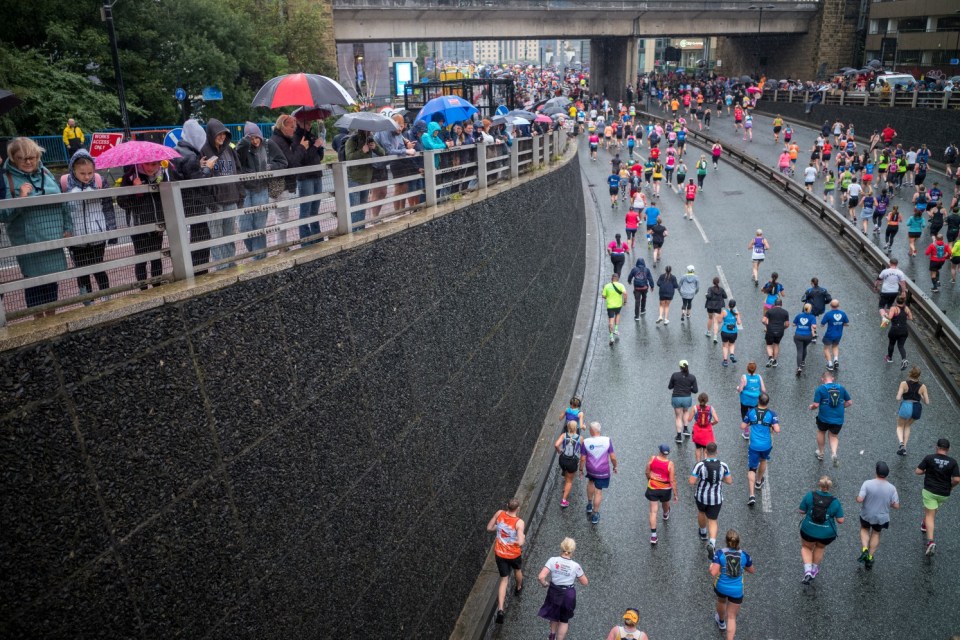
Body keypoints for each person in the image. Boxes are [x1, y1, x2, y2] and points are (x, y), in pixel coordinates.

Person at [1, 138, 74, 315]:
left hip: (52, 236)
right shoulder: (6, 179)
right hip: (28, 242)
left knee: (51, 281)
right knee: (33, 283)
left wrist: (68, 226)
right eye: (22, 158)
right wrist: (20, 200)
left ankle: (51, 317)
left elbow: (62, 202)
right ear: (12, 157)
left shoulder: (46, 173)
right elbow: (3, 216)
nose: (28, 162)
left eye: (32, 157)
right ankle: (38, 320)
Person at [62, 150, 114, 301]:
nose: (87, 177)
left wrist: (111, 230)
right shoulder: (65, 185)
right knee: (82, 271)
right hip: (76, 237)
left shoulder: (100, 182)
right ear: (73, 170)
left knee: (98, 268)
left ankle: (106, 298)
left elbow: (108, 207)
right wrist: (66, 230)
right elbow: (63, 211)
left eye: (90, 172)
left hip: (97, 234)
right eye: (82, 173)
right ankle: (87, 301)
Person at [118, 160, 173, 286]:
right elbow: (122, 202)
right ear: (141, 163)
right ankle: (143, 288)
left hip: (157, 224)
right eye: (147, 164)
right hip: (138, 225)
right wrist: (135, 190)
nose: (150, 168)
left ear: (159, 164)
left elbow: (167, 199)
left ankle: (157, 285)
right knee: (141, 259)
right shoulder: (130, 176)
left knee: (156, 257)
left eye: (154, 164)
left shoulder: (163, 175)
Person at [200, 119, 242, 269]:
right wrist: (209, 202)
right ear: (211, 134)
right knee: (216, 238)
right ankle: (221, 268)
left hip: (231, 198)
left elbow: (238, 171)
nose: (222, 137)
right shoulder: (203, 150)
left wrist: (240, 195)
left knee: (229, 236)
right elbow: (201, 179)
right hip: (215, 203)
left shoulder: (229, 150)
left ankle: (231, 264)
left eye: (224, 134)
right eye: (219, 134)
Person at [915, 438, 960, 556]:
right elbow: (956, 479)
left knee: (930, 515)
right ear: (948, 449)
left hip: (930, 491)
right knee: (932, 509)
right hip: (944, 494)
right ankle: (924, 524)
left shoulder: (929, 458)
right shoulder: (953, 462)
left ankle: (930, 542)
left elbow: (918, 471)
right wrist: (951, 486)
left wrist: (927, 470)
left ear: (936, 447)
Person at [538, 537, 588, 640]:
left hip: (554, 591)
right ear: (572, 550)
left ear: (562, 547)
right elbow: (585, 582)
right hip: (568, 594)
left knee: (554, 614)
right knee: (564, 620)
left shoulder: (553, 560)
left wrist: (545, 584)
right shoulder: (575, 566)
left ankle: (552, 635)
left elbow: (541, 576)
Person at [797, 476, 845, 584]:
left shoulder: (810, 495)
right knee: (820, 547)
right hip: (827, 533)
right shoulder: (835, 501)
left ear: (820, 485)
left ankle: (808, 571)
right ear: (830, 487)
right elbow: (841, 520)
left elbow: (801, 510)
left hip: (808, 529)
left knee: (806, 547)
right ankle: (814, 570)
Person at [234, 122, 271, 260]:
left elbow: (282, 161)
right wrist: (245, 141)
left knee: (259, 226)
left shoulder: (267, 146)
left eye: (257, 137)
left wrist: (269, 168)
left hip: (261, 189)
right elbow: (238, 154)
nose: (255, 141)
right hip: (244, 191)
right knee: (245, 227)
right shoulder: (244, 148)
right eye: (251, 138)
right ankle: (256, 253)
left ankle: (259, 258)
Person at [709, 529, 755, 640]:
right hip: (737, 590)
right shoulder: (744, 555)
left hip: (721, 586)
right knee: (732, 617)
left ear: (726, 541)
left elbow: (713, 572)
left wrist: (712, 564)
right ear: (738, 542)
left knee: (721, 601)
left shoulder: (720, 553)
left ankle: (721, 622)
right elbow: (752, 570)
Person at [486, 498, 526, 624]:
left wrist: (500, 528)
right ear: (517, 509)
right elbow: (520, 542)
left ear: (507, 506)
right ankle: (518, 587)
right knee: (517, 570)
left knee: (504, 579)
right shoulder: (519, 522)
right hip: (513, 554)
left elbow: (489, 528)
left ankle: (501, 609)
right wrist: (523, 537)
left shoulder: (499, 513)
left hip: (500, 554)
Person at [690, 442, 732, 554]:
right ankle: (712, 543)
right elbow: (729, 481)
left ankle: (703, 532)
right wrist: (719, 478)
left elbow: (692, 481)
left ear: (705, 452)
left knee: (701, 512)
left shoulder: (699, 465)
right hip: (716, 498)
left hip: (701, 496)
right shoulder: (723, 466)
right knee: (713, 520)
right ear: (716, 452)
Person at [856, 462, 900, 570]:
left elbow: (860, 499)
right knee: (876, 533)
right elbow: (896, 505)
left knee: (864, 529)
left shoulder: (867, 483)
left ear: (876, 472)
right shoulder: (892, 488)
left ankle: (865, 549)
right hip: (881, 517)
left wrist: (857, 498)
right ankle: (870, 557)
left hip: (867, 514)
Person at [742, 393, 779, 507]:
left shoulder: (751, 412)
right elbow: (777, 429)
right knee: (763, 461)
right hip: (766, 445)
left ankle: (752, 495)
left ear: (758, 401)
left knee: (752, 468)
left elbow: (743, 426)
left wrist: (750, 422)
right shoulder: (772, 414)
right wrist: (771, 426)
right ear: (767, 402)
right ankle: (759, 482)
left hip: (754, 445)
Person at [347, 128, 388, 229]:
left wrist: (375, 148)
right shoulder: (352, 140)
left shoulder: (370, 139)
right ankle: (354, 231)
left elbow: (382, 152)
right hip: (354, 178)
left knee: (363, 207)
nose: (369, 131)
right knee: (355, 208)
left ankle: (361, 229)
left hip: (366, 178)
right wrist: (362, 151)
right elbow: (349, 157)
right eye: (367, 130)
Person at [809, 370, 852, 466]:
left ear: (822, 379)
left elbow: (816, 404)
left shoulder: (820, 389)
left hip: (823, 418)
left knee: (821, 432)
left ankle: (821, 453)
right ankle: (834, 453)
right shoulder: (841, 388)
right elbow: (849, 402)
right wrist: (841, 406)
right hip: (838, 419)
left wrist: (811, 407)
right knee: (833, 436)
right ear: (832, 378)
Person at [580, 422, 618, 525]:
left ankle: (589, 504)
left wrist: (580, 470)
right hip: (602, 471)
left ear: (592, 430)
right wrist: (615, 466)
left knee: (591, 482)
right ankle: (595, 514)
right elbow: (613, 457)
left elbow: (583, 458)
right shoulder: (607, 440)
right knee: (598, 492)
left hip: (591, 469)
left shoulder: (586, 442)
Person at [645, 443, 677, 545]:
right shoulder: (670, 464)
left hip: (653, 487)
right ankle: (665, 513)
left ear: (660, 451)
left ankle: (653, 536)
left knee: (653, 512)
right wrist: (675, 494)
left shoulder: (653, 458)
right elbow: (672, 480)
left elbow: (647, 471)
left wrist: (649, 479)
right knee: (665, 502)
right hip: (665, 489)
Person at [895, 366, 930, 456]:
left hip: (906, 406)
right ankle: (905, 448)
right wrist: (921, 395)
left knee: (900, 426)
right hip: (916, 407)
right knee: (907, 426)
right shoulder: (923, 386)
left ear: (910, 373)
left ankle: (901, 443)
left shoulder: (903, 383)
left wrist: (903, 393)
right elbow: (927, 402)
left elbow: (898, 398)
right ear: (919, 375)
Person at [668, 360, 698, 444]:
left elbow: (670, 387)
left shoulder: (675, 375)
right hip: (686, 398)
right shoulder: (692, 377)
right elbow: (695, 390)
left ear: (680, 367)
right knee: (685, 412)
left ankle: (679, 436)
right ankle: (686, 429)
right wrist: (688, 388)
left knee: (678, 417)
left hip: (677, 397)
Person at [555, 421, 582, 508]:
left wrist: (559, 451)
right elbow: (584, 449)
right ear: (576, 428)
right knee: (569, 481)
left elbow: (556, 445)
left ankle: (564, 472)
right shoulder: (580, 438)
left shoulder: (563, 435)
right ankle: (564, 500)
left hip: (562, 459)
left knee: (565, 471)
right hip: (572, 461)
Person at [686, 392, 719, 462]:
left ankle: (698, 463)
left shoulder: (695, 408)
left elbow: (689, 419)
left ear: (699, 400)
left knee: (698, 448)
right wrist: (711, 423)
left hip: (697, 431)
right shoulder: (711, 408)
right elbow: (716, 420)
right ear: (707, 400)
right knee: (705, 448)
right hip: (707, 431)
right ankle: (705, 462)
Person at [820, 299, 849, 371]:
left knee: (826, 348)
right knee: (835, 346)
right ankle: (836, 359)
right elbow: (846, 323)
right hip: (838, 335)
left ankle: (830, 364)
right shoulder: (843, 313)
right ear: (838, 305)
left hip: (829, 335)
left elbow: (822, 324)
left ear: (830, 305)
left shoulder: (828, 314)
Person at [885, 295, 912, 369]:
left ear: (896, 301)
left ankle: (889, 358)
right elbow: (910, 317)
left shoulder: (894, 308)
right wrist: (903, 317)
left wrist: (885, 314)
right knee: (901, 346)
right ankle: (904, 359)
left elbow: (890, 317)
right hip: (904, 330)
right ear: (903, 302)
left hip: (895, 330)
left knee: (891, 344)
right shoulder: (906, 308)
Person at [737, 361, 765, 430]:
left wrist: (737, 387)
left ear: (747, 369)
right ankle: (754, 428)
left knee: (744, 414)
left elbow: (740, 389)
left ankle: (746, 431)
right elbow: (763, 390)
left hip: (745, 400)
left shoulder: (744, 377)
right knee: (754, 413)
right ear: (755, 369)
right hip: (755, 400)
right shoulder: (759, 377)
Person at [601, 272, 627, 344]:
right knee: (618, 314)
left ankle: (611, 337)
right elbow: (625, 293)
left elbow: (603, 296)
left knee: (610, 321)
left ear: (611, 279)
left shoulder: (607, 286)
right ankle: (616, 329)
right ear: (618, 279)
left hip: (610, 306)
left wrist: (608, 297)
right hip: (618, 305)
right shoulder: (621, 285)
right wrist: (625, 302)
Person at [792, 303, 817, 376]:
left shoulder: (799, 315)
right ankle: (803, 361)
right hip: (808, 336)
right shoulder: (812, 317)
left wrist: (799, 324)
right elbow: (814, 326)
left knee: (799, 351)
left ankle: (799, 367)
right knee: (804, 347)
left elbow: (793, 324)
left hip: (798, 335)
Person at [704, 276, 727, 343]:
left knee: (710, 318)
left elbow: (709, 296)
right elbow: (725, 296)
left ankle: (708, 332)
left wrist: (706, 295)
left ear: (713, 282)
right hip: (718, 307)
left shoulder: (710, 289)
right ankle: (715, 336)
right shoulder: (721, 289)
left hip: (710, 306)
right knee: (716, 321)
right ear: (718, 282)